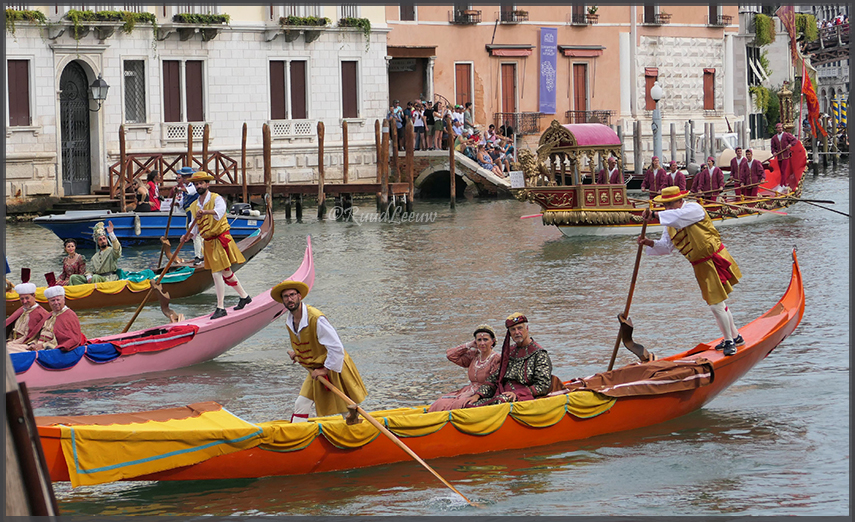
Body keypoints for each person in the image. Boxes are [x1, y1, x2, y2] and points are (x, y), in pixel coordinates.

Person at [637, 186, 743, 356]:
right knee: (718, 303)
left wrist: (655, 215)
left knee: (716, 305)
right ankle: (736, 336)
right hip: (700, 265)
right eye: (665, 205)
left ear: (680, 201)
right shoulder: (669, 223)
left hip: (714, 259)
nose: (668, 208)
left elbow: (679, 218)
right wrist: (649, 242)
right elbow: (666, 247)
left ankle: (729, 341)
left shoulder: (694, 209)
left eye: (670, 204)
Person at [271, 279, 368, 422]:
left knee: (346, 407)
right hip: (315, 369)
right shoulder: (290, 320)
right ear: (282, 301)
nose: (289, 299)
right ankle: (297, 437)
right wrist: (298, 354)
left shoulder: (316, 318)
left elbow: (336, 348)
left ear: (299, 296)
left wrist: (325, 370)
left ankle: (357, 432)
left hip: (333, 366)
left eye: (292, 295)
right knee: (301, 404)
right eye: (286, 297)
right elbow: (308, 343)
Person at [182, 171, 251, 319]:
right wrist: (188, 235)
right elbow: (194, 227)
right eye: (196, 184)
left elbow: (220, 212)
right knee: (225, 273)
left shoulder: (217, 198)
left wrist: (205, 211)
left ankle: (220, 307)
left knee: (216, 273)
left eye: (201, 183)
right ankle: (245, 297)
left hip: (220, 239)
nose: (198, 186)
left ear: (207, 184)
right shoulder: (194, 205)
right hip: (208, 243)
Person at [465, 313, 554, 407]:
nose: (517, 332)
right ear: (510, 333)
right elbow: (495, 378)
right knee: (470, 404)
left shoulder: (539, 354)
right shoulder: (509, 352)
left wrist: (517, 394)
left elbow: (543, 385)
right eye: (513, 329)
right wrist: (478, 395)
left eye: (520, 328)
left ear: (527, 329)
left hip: (524, 397)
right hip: (503, 393)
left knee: (500, 402)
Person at [428, 324, 501, 412]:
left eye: (485, 339)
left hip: (485, 393)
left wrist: (478, 395)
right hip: (468, 390)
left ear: (492, 341)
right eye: (479, 340)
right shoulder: (474, 356)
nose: (482, 343)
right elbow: (451, 355)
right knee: (441, 402)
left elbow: (493, 383)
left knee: (458, 404)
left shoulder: (496, 359)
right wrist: (468, 345)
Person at [21, 284, 85, 352]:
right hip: (38, 346)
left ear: (63, 300)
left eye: (58, 300)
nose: (56, 303)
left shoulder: (69, 315)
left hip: (51, 349)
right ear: (49, 302)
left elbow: (72, 340)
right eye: (53, 301)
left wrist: (44, 346)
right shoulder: (50, 315)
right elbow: (37, 334)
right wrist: (33, 343)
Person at [5, 280, 50, 353]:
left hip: (26, 345)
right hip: (12, 343)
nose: (24, 301)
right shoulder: (21, 310)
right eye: (22, 299)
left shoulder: (41, 313)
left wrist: (11, 344)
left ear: (34, 296)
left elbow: (41, 337)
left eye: (27, 298)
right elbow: (11, 330)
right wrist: (9, 340)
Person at [175, 167, 204, 264]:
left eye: (184, 177)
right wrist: (177, 204)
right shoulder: (186, 188)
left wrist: (179, 189)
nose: (182, 179)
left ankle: (198, 257)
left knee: (196, 235)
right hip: (189, 213)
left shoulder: (193, 186)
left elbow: (189, 191)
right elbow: (184, 201)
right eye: (182, 177)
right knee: (194, 235)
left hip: (195, 212)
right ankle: (201, 255)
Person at [770, 122, 798, 189]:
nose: (780, 129)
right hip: (779, 156)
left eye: (781, 128)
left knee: (783, 170)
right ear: (776, 129)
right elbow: (773, 147)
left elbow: (794, 140)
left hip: (785, 155)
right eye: (779, 128)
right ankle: (783, 184)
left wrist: (790, 145)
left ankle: (783, 184)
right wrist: (774, 152)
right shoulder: (774, 138)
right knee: (781, 170)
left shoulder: (787, 135)